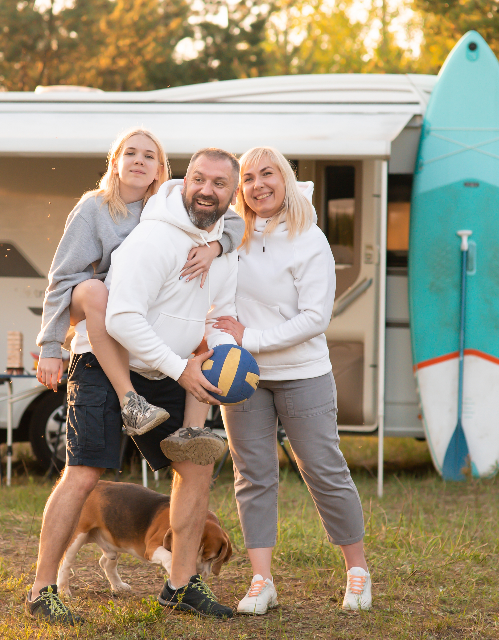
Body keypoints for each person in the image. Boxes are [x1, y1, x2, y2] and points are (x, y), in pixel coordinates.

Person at [27, 148, 241, 625]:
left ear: (232, 193)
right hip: (106, 359)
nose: (207, 190)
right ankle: (43, 589)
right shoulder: (152, 235)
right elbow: (117, 315)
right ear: (183, 182)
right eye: (200, 179)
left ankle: (181, 585)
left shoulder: (222, 243)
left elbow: (220, 313)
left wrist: (222, 348)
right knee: (84, 472)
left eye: (220, 184)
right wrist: (49, 344)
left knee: (198, 464)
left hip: (166, 367)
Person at [213, 146, 372, 614]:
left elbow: (315, 318)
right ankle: (261, 580)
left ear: (284, 180)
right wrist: (226, 346)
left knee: (323, 469)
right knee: (252, 475)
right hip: (242, 376)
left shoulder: (309, 238)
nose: (258, 184)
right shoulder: (230, 235)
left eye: (268, 174)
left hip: (302, 373)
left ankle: (357, 571)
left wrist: (251, 339)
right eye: (247, 177)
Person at [35, 127, 241, 436]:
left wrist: (215, 247)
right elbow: (61, 277)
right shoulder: (94, 208)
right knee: (95, 291)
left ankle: (193, 430)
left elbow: (234, 220)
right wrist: (51, 347)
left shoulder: (164, 206)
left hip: (122, 304)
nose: (138, 161)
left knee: (199, 330)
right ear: (115, 162)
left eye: (149, 156)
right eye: (130, 153)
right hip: (86, 299)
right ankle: (129, 399)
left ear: (160, 170)